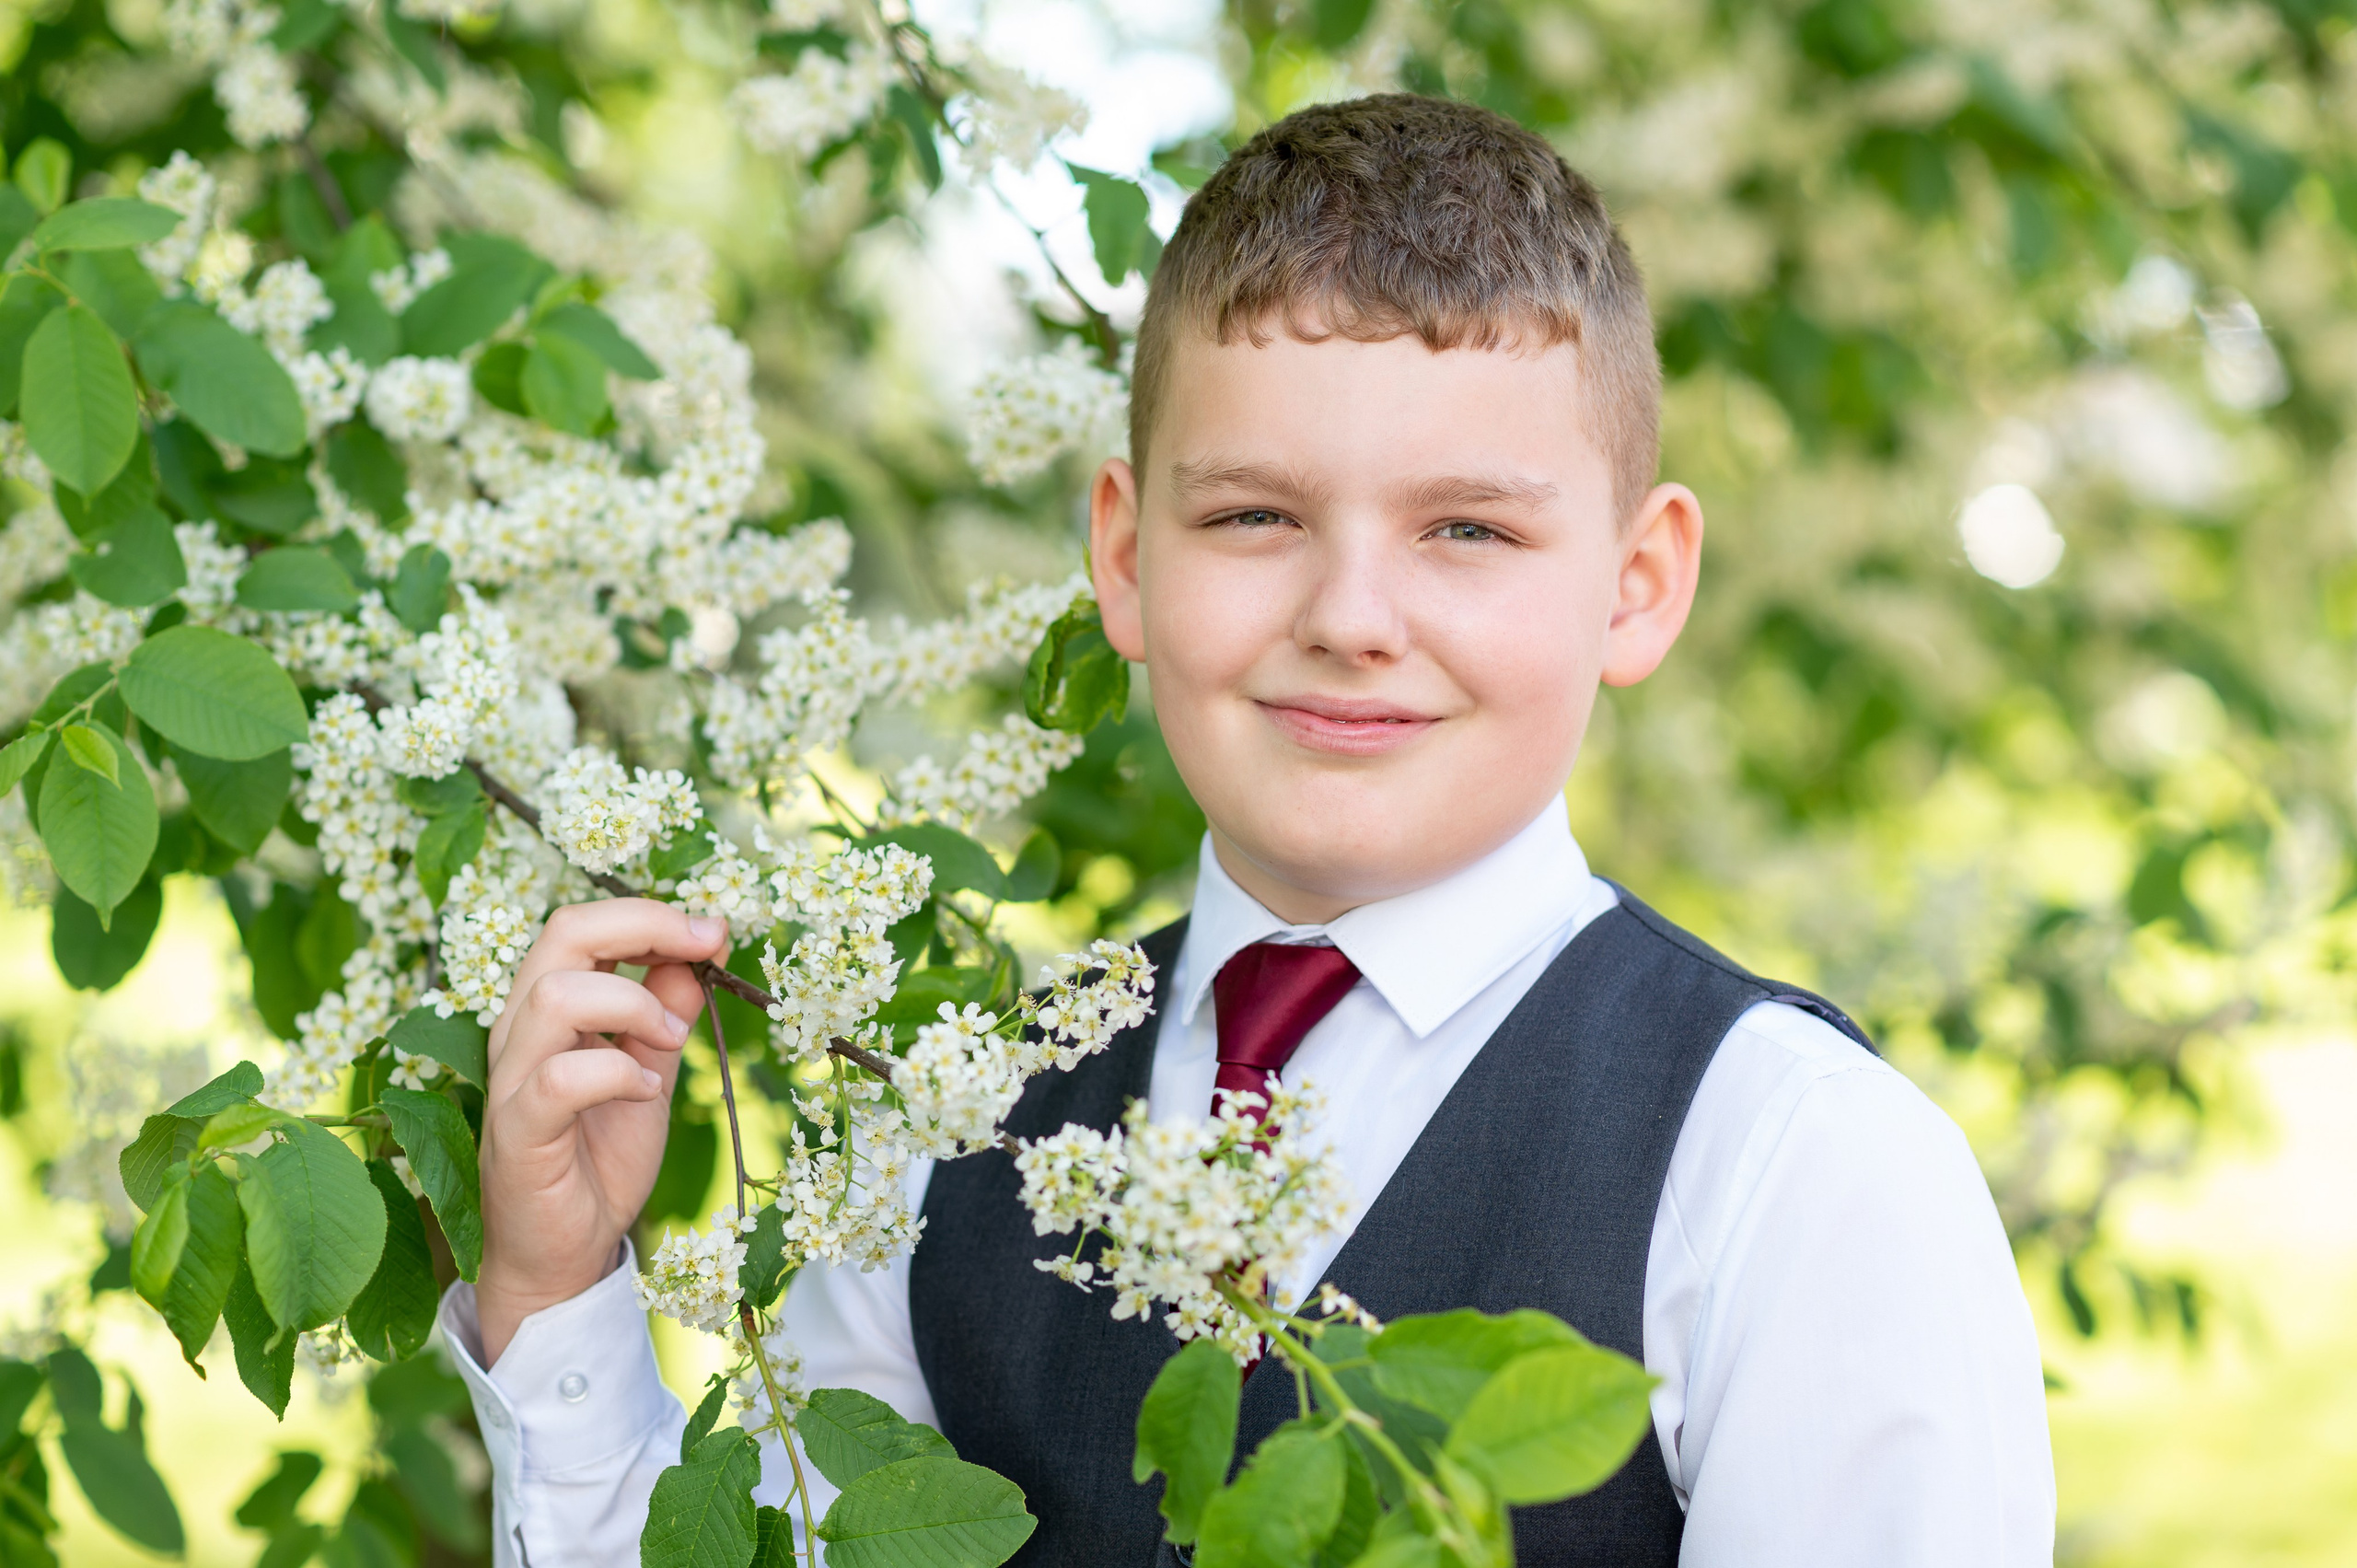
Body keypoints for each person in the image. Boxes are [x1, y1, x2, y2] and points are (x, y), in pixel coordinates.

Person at [435, 93, 2055, 1566]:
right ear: (1128, 559)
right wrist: (559, 1289)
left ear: (1636, 586)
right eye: (1256, 517)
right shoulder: (954, 1125)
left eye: (1468, 529)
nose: (1352, 617)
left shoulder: (1796, 1168)